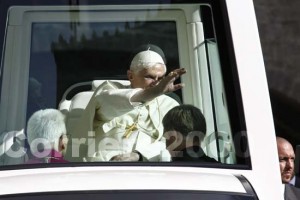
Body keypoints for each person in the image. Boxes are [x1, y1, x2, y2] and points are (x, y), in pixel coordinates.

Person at [67, 44, 186, 162]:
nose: (157, 83)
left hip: (146, 169)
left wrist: (139, 155)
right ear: (130, 75)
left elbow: (170, 146)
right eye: (149, 77)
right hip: (103, 166)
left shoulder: (170, 105)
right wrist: (154, 92)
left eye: (160, 78)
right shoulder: (108, 90)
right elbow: (110, 103)